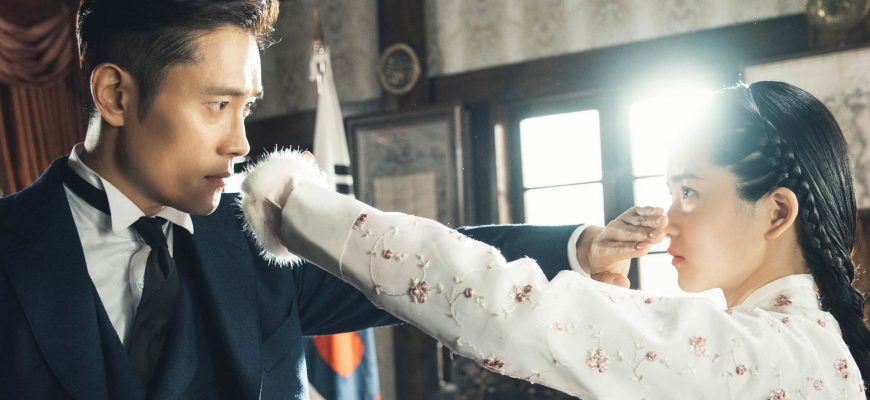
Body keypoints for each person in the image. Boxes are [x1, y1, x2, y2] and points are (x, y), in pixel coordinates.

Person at [0, 1, 658, 399]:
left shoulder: (261, 234)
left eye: (247, 107)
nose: (241, 142)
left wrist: (578, 247)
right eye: (217, 105)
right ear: (115, 95)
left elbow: (428, 264)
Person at [243, 81, 870, 399]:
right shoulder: (805, 346)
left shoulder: (769, 352)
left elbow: (502, 304)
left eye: (690, 191)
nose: (668, 216)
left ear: (776, 211)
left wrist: (299, 204)